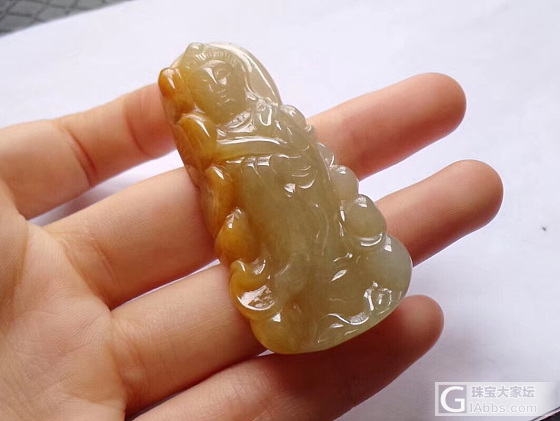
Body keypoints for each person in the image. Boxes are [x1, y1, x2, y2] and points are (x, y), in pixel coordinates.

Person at [0, 73, 502, 420]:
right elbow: (230, 166)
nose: (219, 88)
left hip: (303, 193)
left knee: (320, 240)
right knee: (292, 253)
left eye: (224, 79)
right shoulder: (219, 133)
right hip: (267, 200)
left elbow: (299, 151)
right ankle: (296, 285)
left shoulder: (266, 116)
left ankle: (327, 279)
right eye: (211, 83)